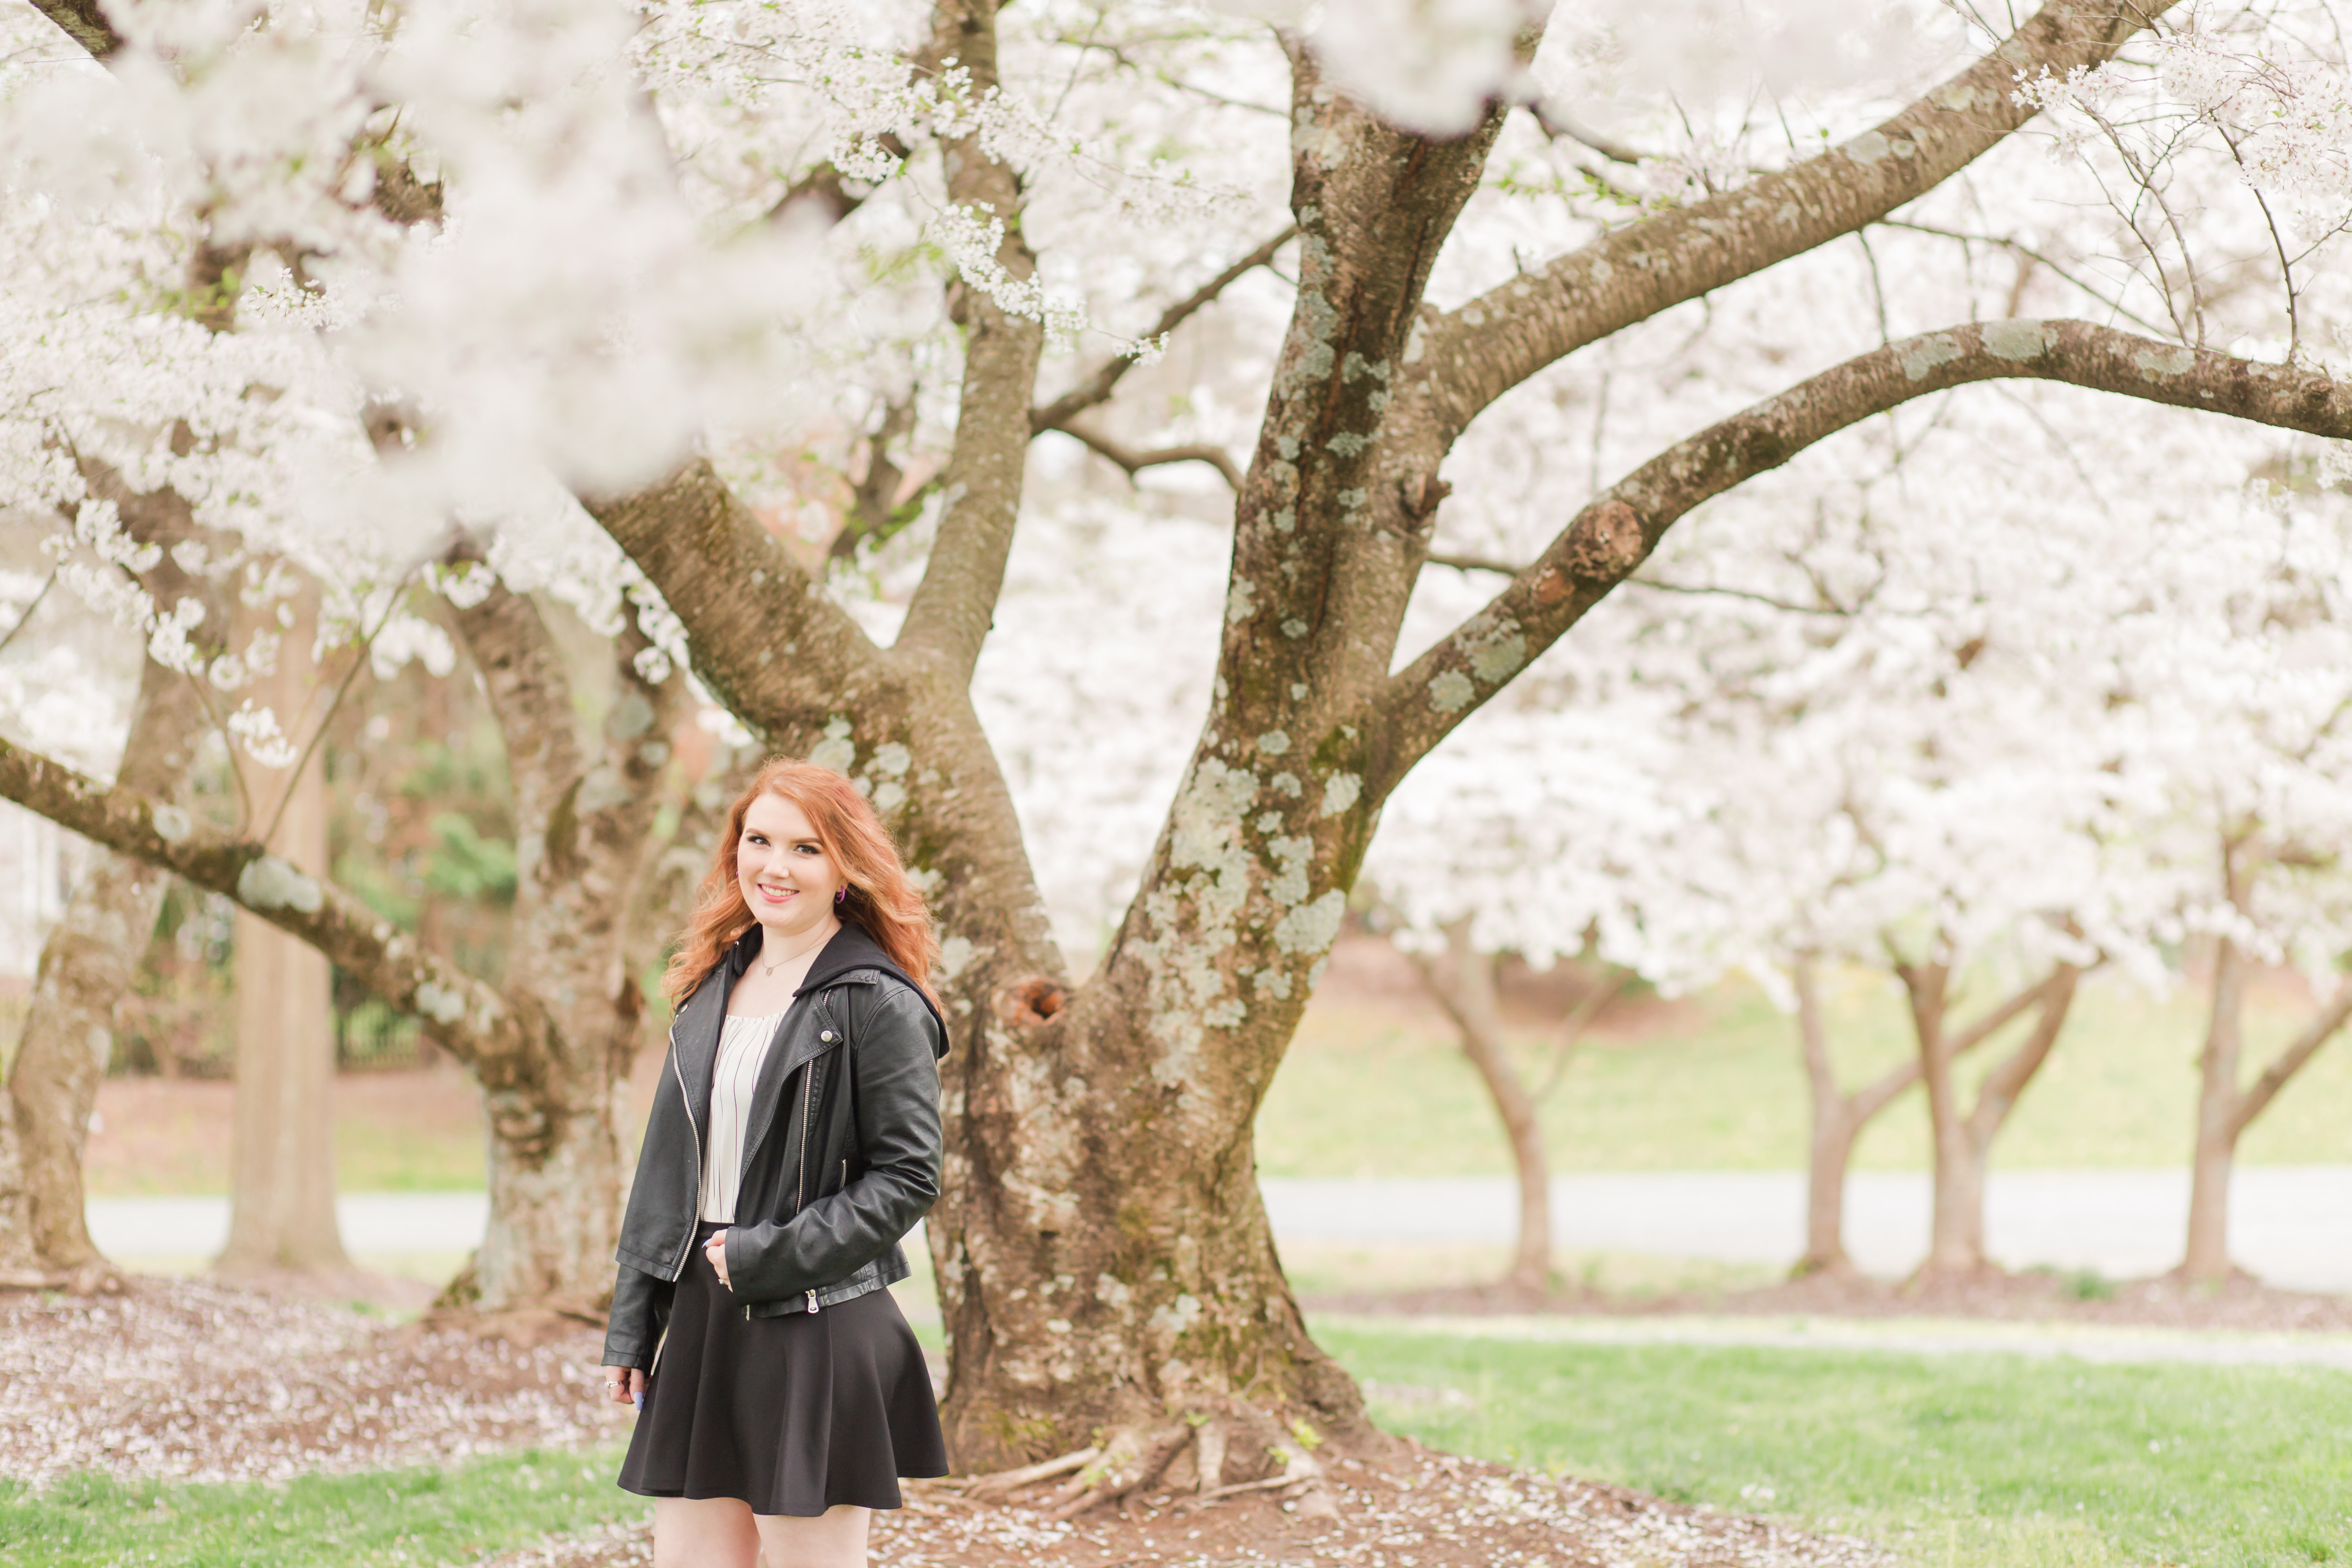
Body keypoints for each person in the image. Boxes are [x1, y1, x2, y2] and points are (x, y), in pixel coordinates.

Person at [601, 757, 950, 1568]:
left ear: (844, 869)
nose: (774, 866)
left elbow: (908, 1178)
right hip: (701, 1318)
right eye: (759, 840)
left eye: (805, 848)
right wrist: (634, 1321)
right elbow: (665, 1173)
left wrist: (771, 1256)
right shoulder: (709, 987)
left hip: (815, 1321)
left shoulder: (878, 999)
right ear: (735, 851)